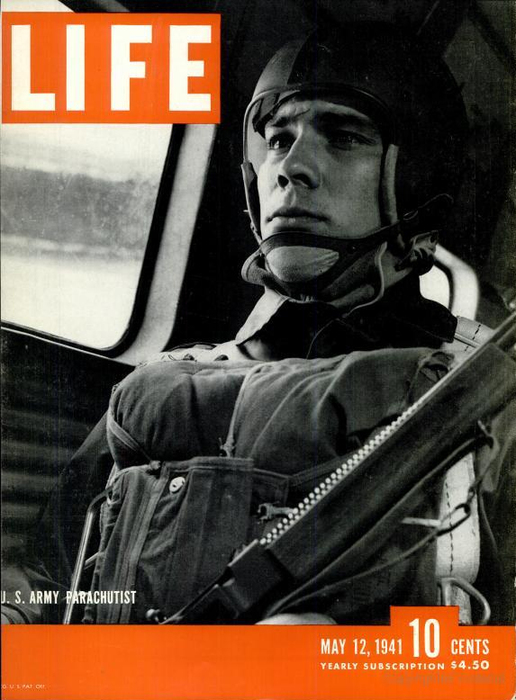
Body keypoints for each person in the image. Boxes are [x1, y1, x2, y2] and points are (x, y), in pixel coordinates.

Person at [2, 22, 513, 626]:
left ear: (416, 176)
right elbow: (47, 582)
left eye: (344, 137)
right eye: (277, 139)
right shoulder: (167, 384)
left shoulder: (488, 394)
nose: (290, 167)